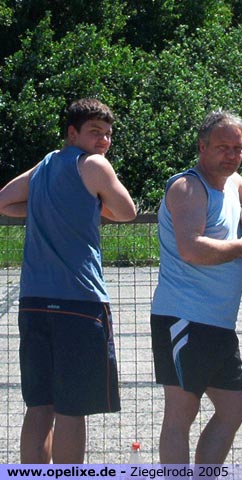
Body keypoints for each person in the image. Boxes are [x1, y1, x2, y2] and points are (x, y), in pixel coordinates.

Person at [0, 98, 137, 464]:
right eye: (95, 132)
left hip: (33, 303)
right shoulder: (93, 165)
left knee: (39, 406)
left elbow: (4, 202)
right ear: (72, 133)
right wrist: (89, 206)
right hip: (79, 302)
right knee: (72, 411)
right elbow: (127, 211)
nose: (103, 140)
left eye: (107, 134)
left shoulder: (45, 164)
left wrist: (48, 208)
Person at [149, 110, 242, 465]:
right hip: (184, 317)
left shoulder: (231, 183)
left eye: (238, 148)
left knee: (235, 407)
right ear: (202, 147)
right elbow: (192, 249)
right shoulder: (188, 187)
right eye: (223, 147)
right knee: (181, 415)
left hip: (218, 323)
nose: (231, 155)